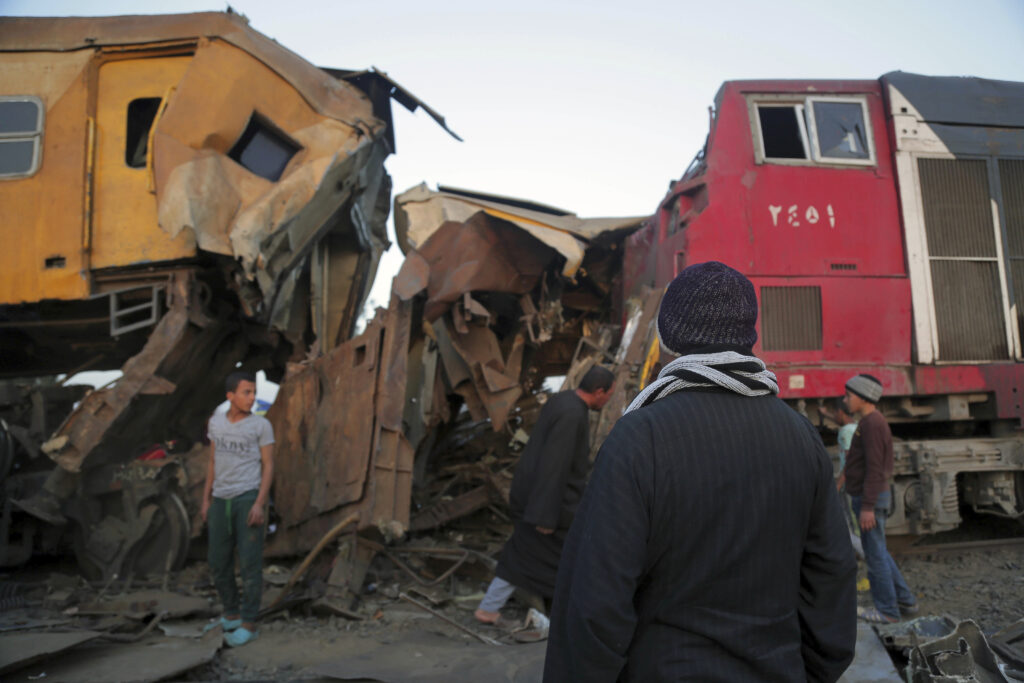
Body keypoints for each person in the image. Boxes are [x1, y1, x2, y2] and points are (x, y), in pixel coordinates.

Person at [544, 261, 857, 682]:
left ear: (669, 336)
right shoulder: (801, 436)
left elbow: (594, 602)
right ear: (749, 337)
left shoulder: (640, 437)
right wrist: (814, 670)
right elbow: (831, 572)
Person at [474, 365, 615, 625]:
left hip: (538, 497)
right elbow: (555, 465)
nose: (608, 401)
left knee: (527, 555)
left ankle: (495, 608)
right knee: (540, 554)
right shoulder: (572, 414)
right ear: (599, 391)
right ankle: (493, 609)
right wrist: (544, 516)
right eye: (609, 395)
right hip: (547, 504)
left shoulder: (563, 402)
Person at [201, 371, 275, 647]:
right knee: (218, 562)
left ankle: (249, 623)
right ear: (230, 396)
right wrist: (206, 499)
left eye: (254, 392)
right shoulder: (216, 423)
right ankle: (231, 614)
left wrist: (259, 502)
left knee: (249, 564)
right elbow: (212, 461)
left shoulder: (261, 426)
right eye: (246, 392)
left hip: (247, 498)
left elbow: (268, 465)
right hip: (221, 499)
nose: (252, 397)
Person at [842, 374, 918, 624]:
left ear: (863, 398)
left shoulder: (872, 424)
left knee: (874, 557)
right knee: (879, 552)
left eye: (849, 396)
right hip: (870, 497)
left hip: (870, 499)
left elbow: (875, 469)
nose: (845, 400)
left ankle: (887, 611)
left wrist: (867, 507)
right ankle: (905, 600)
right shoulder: (870, 422)